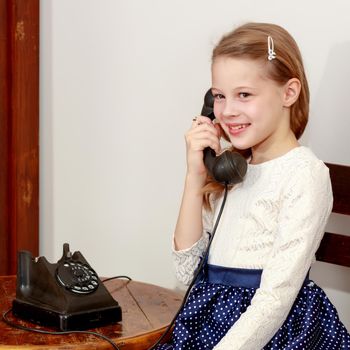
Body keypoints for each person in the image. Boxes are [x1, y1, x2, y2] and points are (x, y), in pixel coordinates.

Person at [157, 22, 350, 349]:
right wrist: (194, 175)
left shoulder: (304, 174)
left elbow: (276, 297)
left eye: (244, 94)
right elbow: (186, 270)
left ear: (288, 92)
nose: (228, 111)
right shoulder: (230, 168)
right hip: (208, 320)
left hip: (267, 331)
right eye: (219, 96)